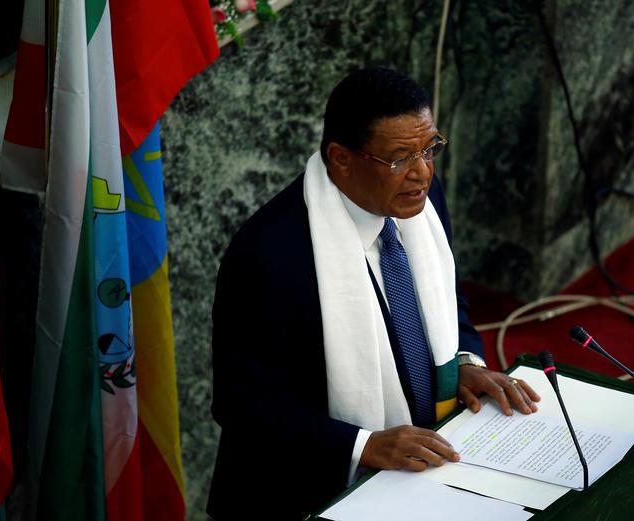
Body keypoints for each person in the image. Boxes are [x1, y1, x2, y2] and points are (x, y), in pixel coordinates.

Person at [207, 67, 541, 520]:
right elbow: (242, 405)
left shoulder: (422, 198)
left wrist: (462, 362)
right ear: (342, 159)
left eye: (430, 149)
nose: (421, 172)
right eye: (400, 158)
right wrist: (364, 445)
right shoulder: (268, 253)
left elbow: (447, 300)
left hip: (428, 466)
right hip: (304, 491)